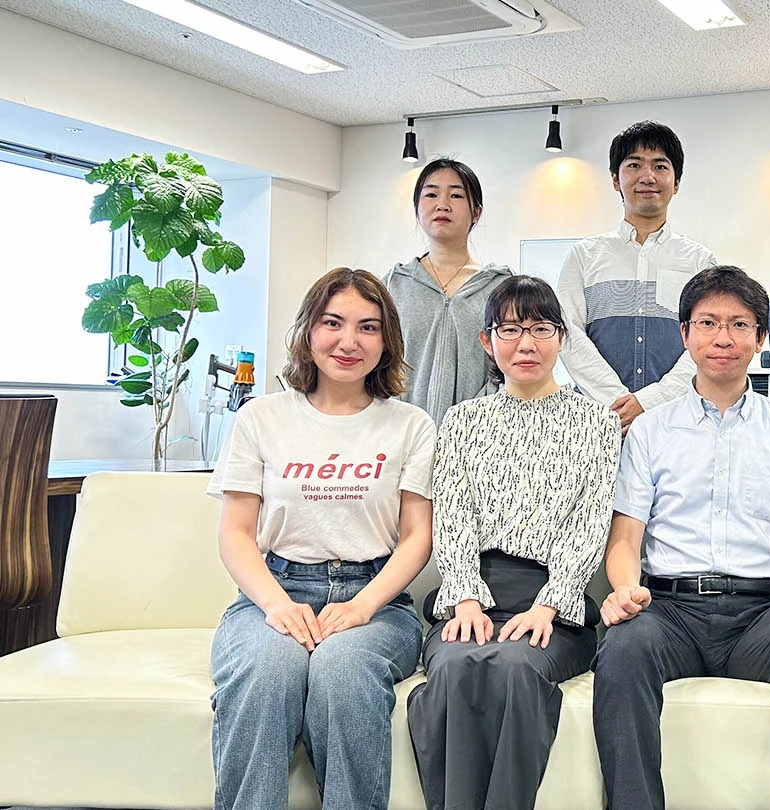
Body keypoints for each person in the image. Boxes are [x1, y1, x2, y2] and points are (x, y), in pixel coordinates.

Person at [592, 265, 770, 810]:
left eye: (739, 324)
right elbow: (625, 536)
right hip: (669, 610)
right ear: (685, 335)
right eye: (708, 323)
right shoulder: (650, 430)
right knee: (622, 649)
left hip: (760, 614)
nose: (723, 338)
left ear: (761, 339)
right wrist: (622, 587)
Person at [208, 267, 436, 810]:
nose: (349, 341)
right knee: (267, 672)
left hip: (376, 600)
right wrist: (276, 605)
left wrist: (361, 607)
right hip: (276, 591)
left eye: (368, 327)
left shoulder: (410, 424)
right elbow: (237, 534)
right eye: (333, 322)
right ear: (309, 330)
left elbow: (416, 538)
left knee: (342, 672)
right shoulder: (260, 417)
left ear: (387, 341)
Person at [406, 275, 620, 810]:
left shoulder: (595, 421)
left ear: (561, 337)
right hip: (470, 593)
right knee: (456, 666)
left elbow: (591, 523)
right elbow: (451, 518)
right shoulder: (461, 421)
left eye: (541, 329)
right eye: (510, 330)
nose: (526, 344)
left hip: (555, 603)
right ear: (487, 341)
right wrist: (465, 598)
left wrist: (550, 604)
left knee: (517, 667)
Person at [557, 121, 717, 434]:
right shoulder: (584, 256)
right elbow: (568, 333)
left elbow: (706, 340)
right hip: (598, 422)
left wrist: (650, 401)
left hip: (677, 421)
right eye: (634, 165)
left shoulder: (699, 261)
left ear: (677, 182)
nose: (648, 176)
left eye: (660, 165)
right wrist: (616, 402)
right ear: (616, 179)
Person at [385, 157, 513, 424]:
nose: (442, 204)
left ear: (476, 212)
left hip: (478, 435)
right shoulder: (393, 284)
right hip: (400, 433)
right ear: (417, 208)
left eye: (456, 195)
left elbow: (508, 368)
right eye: (431, 194)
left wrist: (475, 420)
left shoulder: (500, 287)